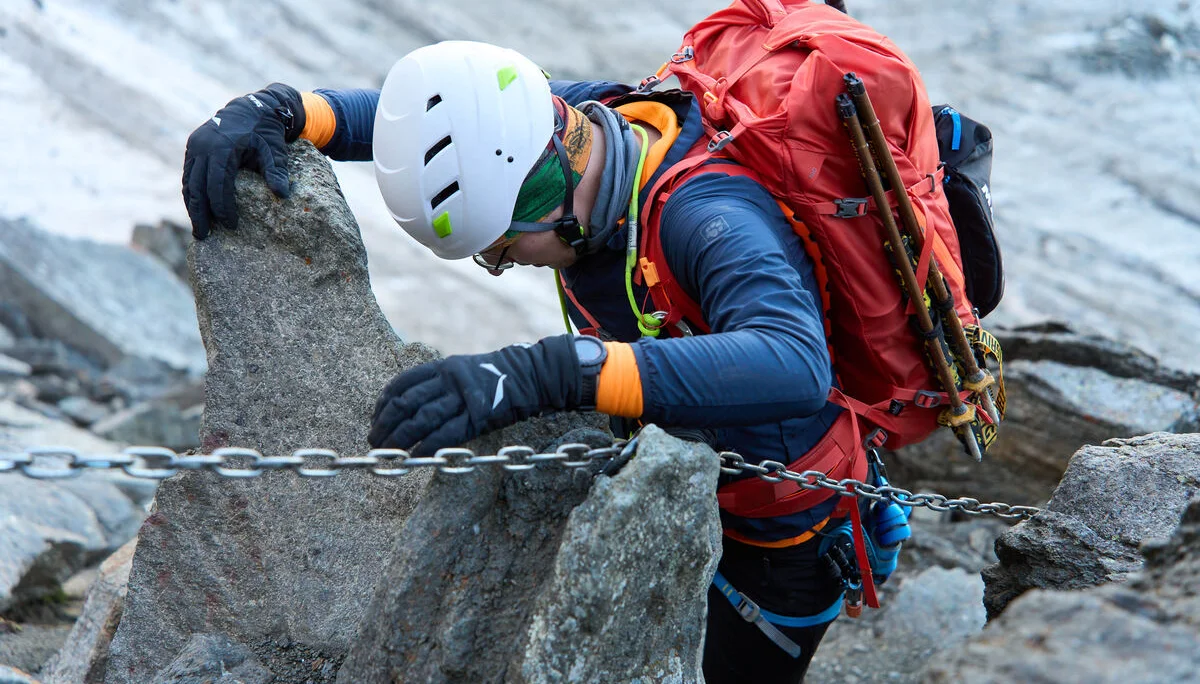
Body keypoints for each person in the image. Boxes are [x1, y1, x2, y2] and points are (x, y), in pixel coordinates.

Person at [182, 39, 893, 682]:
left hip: (780, 539)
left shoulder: (709, 217)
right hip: (675, 480)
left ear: (543, 198)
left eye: (500, 249)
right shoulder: (574, 126)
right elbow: (435, 125)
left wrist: (550, 374)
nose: (503, 263)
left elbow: (794, 364)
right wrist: (290, 111)